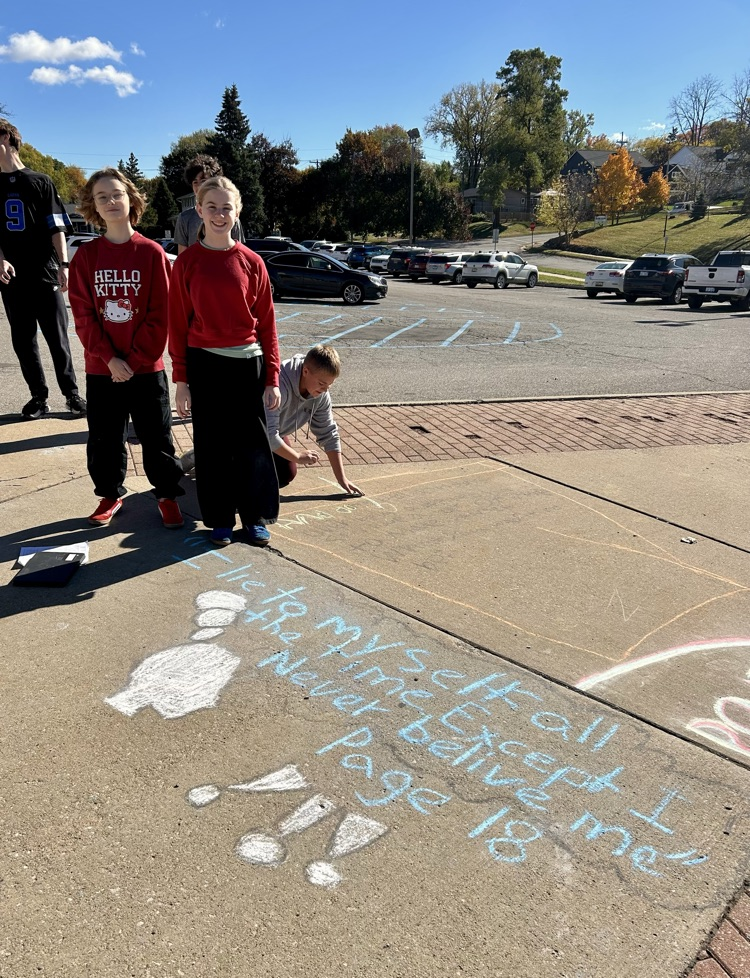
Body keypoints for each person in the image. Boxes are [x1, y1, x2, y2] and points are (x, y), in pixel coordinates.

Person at [69, 167, 184, 528]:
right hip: (103, 369)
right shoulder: (86, 257)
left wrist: (132, 361)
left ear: (130, 198)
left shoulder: (150, 253)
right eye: (102, 197)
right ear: (94, 206)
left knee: (157, 436)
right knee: (104, 438)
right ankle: (110, 494)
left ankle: (166, 494)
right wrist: (109, 358)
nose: (111, 201)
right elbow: (84, 315)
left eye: (116, 194)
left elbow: (159, 315)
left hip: (145, 368)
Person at [168, 175, 280, 548]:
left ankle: (254, 518)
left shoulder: (252, 262)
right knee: (213, 448)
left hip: (248, 365)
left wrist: (273, 378)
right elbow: (178, 325)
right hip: (205, 365)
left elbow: (267, 323)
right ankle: (218, 520)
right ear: (198, 210)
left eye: (226, 207)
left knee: (251, 446)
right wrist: (181, 379)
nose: (219, 214)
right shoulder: (186, 265)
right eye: (211, 207)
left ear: (238, 211)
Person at [0, 119, 86, 420]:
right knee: (23, 341)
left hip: (44, 271)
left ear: (8, 139)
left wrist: (64, 264)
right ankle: (38, 397)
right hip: (10, 277)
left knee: (57, 337)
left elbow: (57, 228)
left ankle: (72, 394)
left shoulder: (39, 181)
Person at [265, 345, 364, 497]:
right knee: (251, 476)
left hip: (276, 432)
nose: (325, 390)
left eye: (330, 385)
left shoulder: (321, 394)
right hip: (247, 433)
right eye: (322, 383)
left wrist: (342, 479)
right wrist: (297, 457)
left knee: (286, 473)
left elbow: (329, 433)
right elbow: (269, 435)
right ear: (305, 371)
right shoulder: (280, 386)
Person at [173, 155, 245, 254]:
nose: (199, 187)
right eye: (195, 182)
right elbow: (182, 256)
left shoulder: (230, 217)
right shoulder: (184, 218)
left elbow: (239, 253)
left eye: (203, 181)